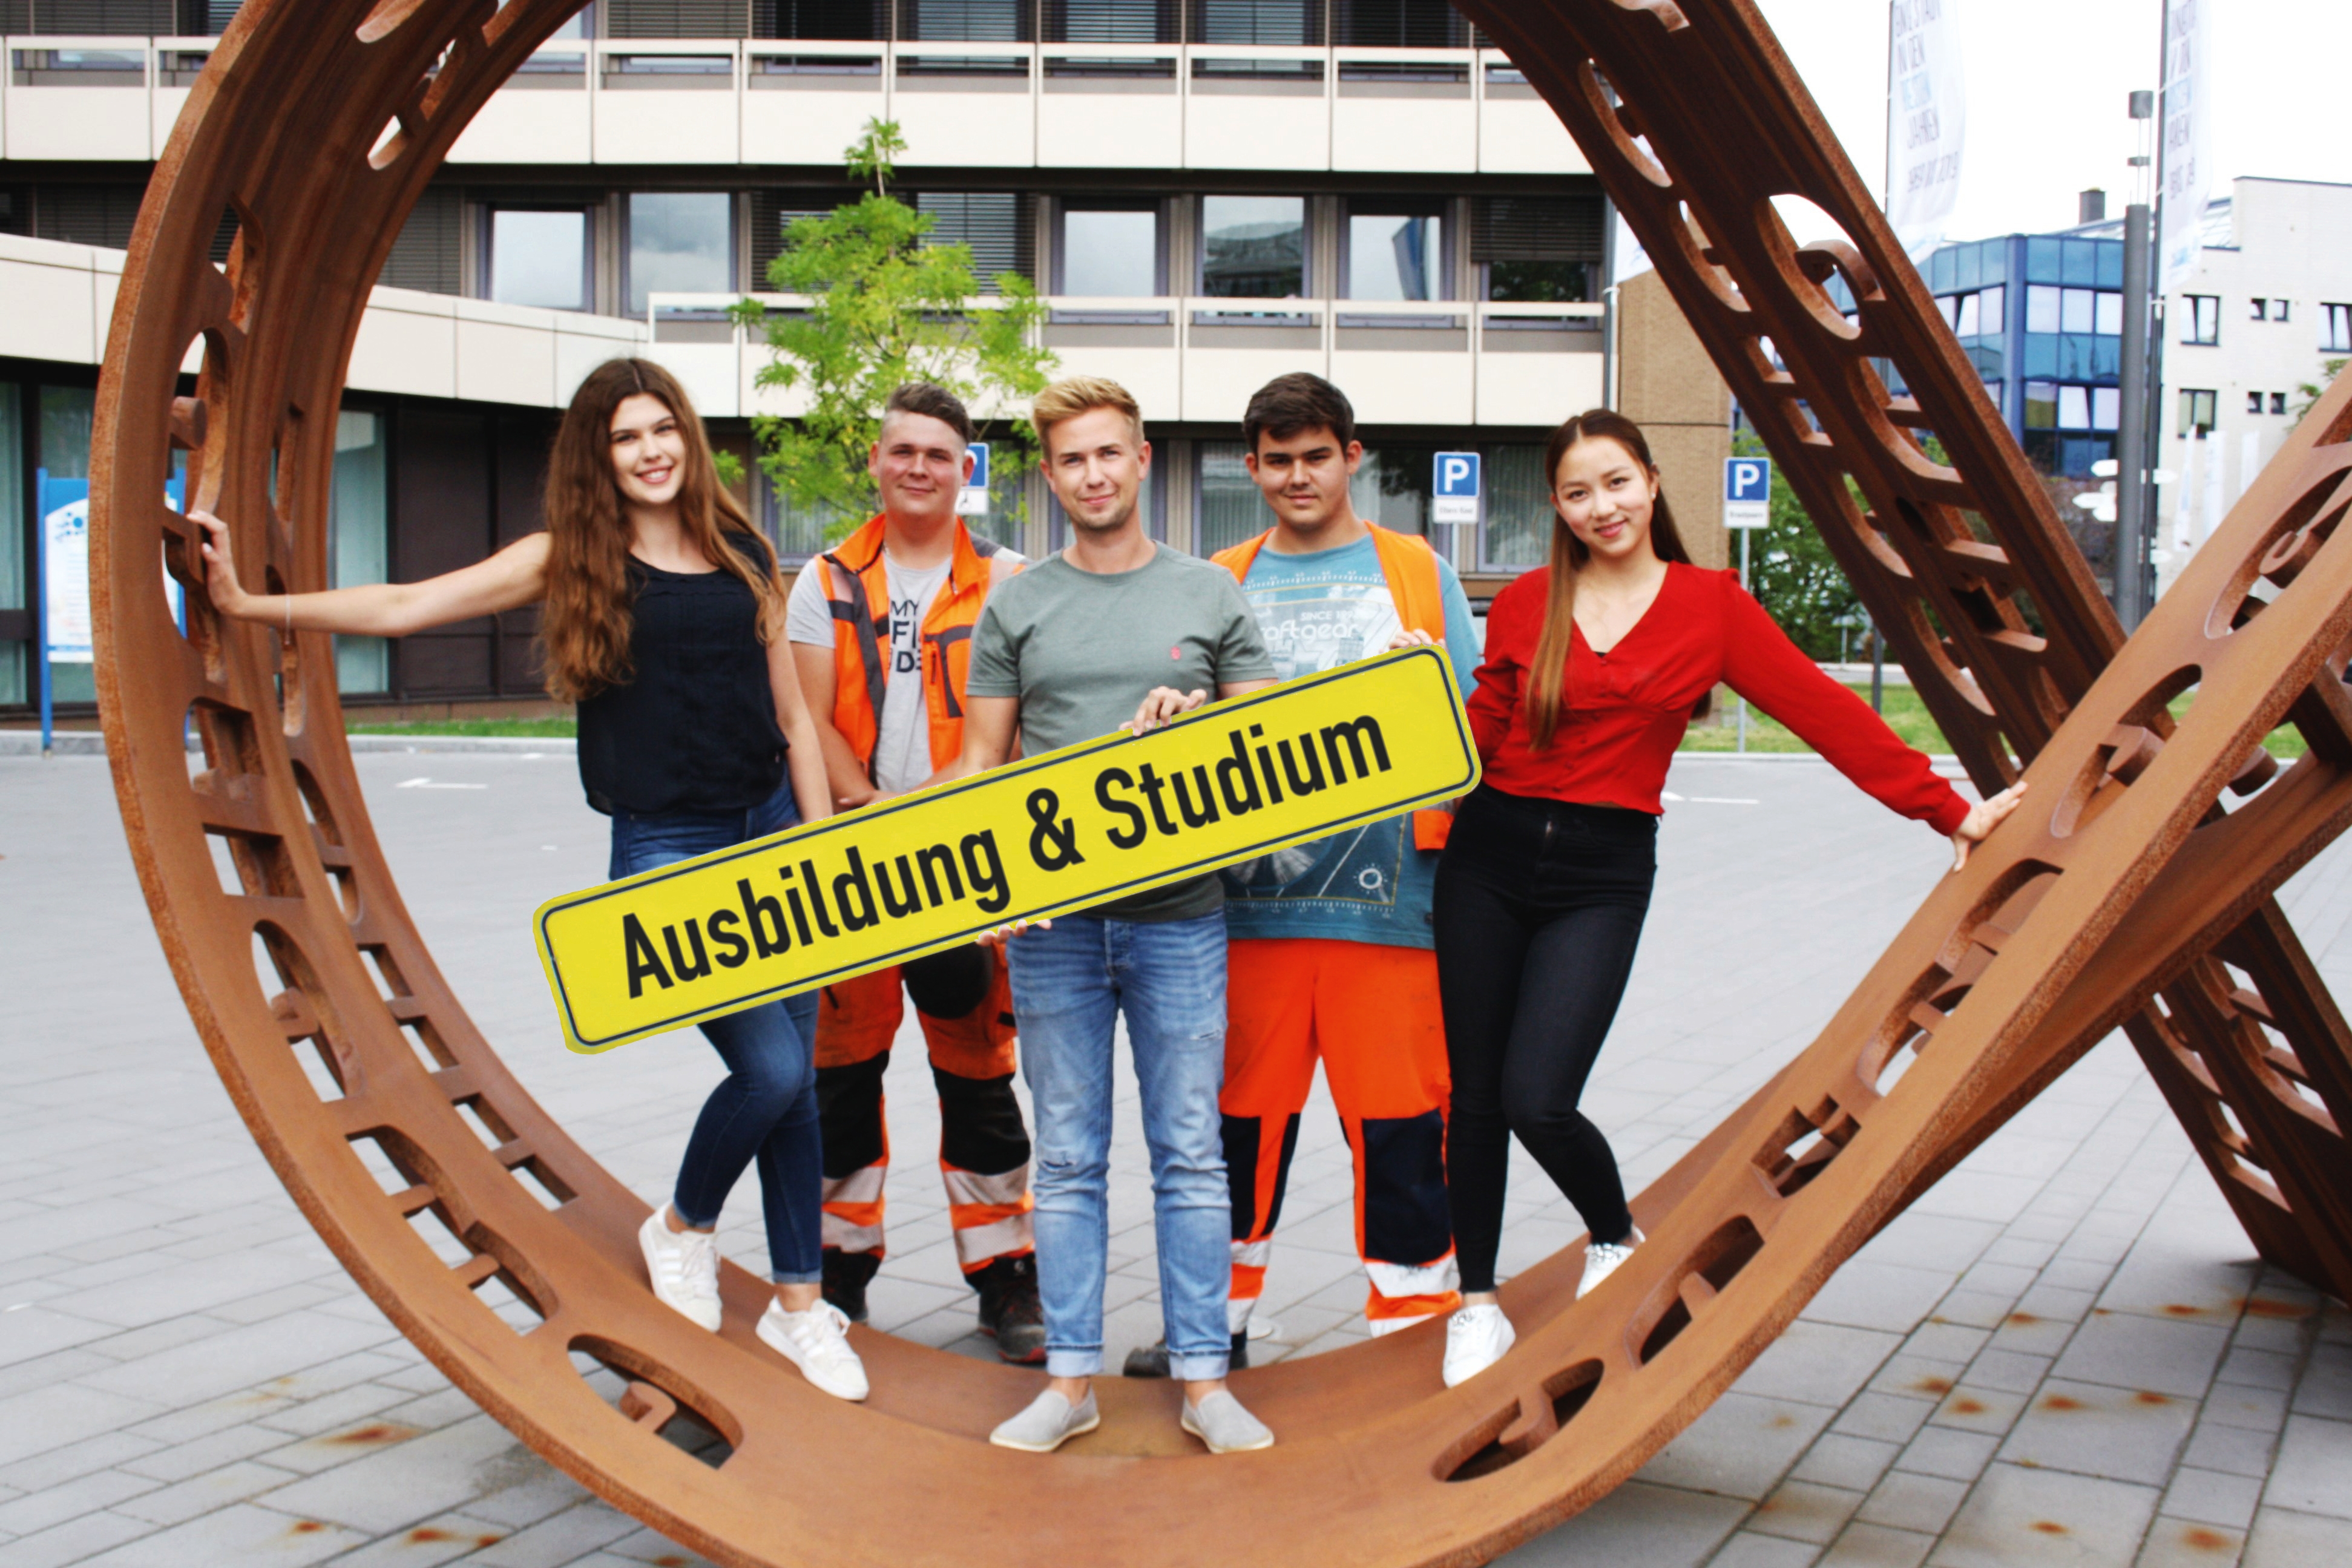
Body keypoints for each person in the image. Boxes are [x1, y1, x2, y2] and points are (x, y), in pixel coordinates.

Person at [192, 358, 870, 1402]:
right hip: (666, 850)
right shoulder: (572, 557)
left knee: (797, 1082)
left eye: (663, 431)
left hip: (772, 832)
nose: (650, 452)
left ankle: (796, 1306)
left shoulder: (743, 549)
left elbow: (791, 718)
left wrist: (815, 849)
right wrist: (251, 602)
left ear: (687, 439)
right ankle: (682, 1225)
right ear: (597, 459)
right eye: (624, 438)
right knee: (773, 1073)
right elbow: (411, 604)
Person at [1435, 408, 2026, 1388]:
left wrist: (1944, 812)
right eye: (1578, 492)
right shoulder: (1527, 601)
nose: (1601, 507)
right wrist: (1409, 704)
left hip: (1602, 873)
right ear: (1556, 506)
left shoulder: (1710, 606)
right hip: (1485, 858)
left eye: (1616, 483)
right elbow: (1479, 735)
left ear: (1653, 483)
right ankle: (1476, 1302)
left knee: (1538, 1097)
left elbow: (1824, 711)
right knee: (1475, 1099)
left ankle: (1613, 1238)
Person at [936, 375, 1281, 1455]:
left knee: (1188, 1151)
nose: (1092, 474)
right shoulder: (1019, 601)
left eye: (1108, 454)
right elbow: (979, 764)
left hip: (1183, 916)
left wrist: (1204, 719)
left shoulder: (1208, 595)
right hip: (1056, 931)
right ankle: (1072, 1383)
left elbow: (1271, 741)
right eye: (1071, 460)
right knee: (1073, 1155)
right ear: (1052, 477)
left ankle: (1203, 1384)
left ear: (1141, 461)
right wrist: (983, 886)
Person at [1123, 373, 1473, 1380]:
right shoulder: (1217, 577)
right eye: (1276, 459)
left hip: (1393, 910)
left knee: (1403, 1132)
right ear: (1253, 468)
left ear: (1351, 458)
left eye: (1315, 455)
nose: (1296, 476)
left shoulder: (1416, 572)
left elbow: (1475, 727)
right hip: (1244, 916)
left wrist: (1433, 682)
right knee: (1232, 1131)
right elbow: (1183, 726)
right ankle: (1210, 1326)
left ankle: (1413, 1337)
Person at [784, 382, 1044, 1362]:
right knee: (839, 1078)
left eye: (939, 454)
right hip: (853, 866)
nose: (920, 468)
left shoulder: (1012, 580)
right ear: (876, 462)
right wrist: (869, 813)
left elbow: (1012, 729)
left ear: (965, 467)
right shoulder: (824, 578)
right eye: (903, 452)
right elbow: (809, 722)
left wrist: (931, 823)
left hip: (966, 872)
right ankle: (838, 1271)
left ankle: (1004, 1278)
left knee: (978, 1077)